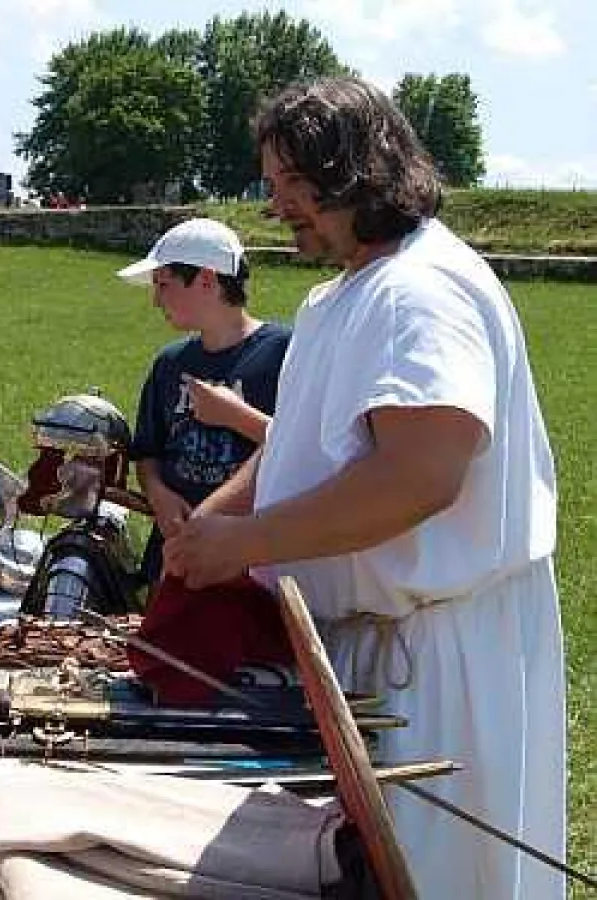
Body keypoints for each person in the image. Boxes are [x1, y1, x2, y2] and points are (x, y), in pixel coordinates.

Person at [163, 75, 565, 899]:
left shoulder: (422, 291)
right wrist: (213, 522)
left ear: (356, 170)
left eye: (294, 183)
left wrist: (246, 543)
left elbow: (419, 475)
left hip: (437, 659)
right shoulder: (344, 293)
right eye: (271, 185)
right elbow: (304, 447)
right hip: (374, 650)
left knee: (440, 878)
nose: (278, 207)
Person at [117, 218, 289, 593]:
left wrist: (235, 416)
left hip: (249, 563)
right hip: (175, 556)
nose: (155, 300)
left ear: (208, 280)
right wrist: (159, 496)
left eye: (164, 284)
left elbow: (301, 447)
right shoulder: (170, 363)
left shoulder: (285, 353)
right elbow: (148, 452)